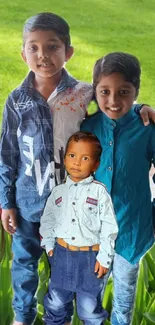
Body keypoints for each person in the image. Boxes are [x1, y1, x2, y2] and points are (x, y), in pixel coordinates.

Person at [0, 11, 154, 325]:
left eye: (53, 47)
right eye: (34, 48)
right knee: (28, 270)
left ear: (68, 52)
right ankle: (24, 318)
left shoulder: (83, 94)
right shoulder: (17, 100)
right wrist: (6, 201)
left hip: (89, 216)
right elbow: (7, 154)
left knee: (78, 281)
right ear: (23, 53)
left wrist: (144, 108)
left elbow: (118, 105)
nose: (43, 55)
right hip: (32, 205)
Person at [81, 52, 155, 325]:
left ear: (136, 90)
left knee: (122, 308)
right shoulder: (86, 128)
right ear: (95, 91)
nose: (113, 100)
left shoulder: (147, 128)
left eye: (124, 92)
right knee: (90, 304)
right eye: (104, 91)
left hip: (130, 234)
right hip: (91, 236)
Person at [40, 131, 118, 325]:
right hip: (62, 254)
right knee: (56, 303)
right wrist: (49, 245)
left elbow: (109, 227)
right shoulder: (58, 192)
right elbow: (48, 219)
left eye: (85, 158)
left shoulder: (99, 192)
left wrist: (104, 257)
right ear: (65, 158)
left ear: (96, 165)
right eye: (72, 155)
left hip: (90, 259)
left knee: (89, 308)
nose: (77, 162)